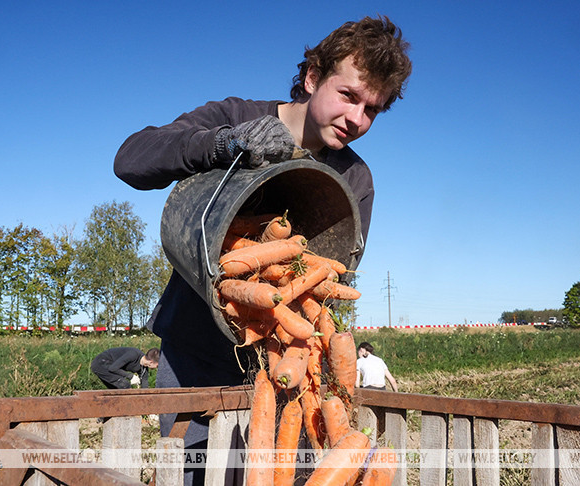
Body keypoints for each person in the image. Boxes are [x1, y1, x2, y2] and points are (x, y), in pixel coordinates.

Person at [113, 15, 411, 484]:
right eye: (349, 96)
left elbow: (332, 277)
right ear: (312, 78)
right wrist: (223, 145)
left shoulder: (354, 180)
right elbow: (130, 159)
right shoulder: (236, 116)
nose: (357, 119)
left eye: (371, 109)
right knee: (192, 473)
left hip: (285, 362)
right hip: (196, 350)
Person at [91, 347, 159, 389]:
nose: (157, 368)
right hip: (101, 363)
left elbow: (145, 383)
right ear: (151, 362)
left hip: (110, 367)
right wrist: (131, 376)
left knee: (117, 390)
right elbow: (113, 368)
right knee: (124, 385)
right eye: (157, 366)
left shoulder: (144, 367)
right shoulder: (133, 354)